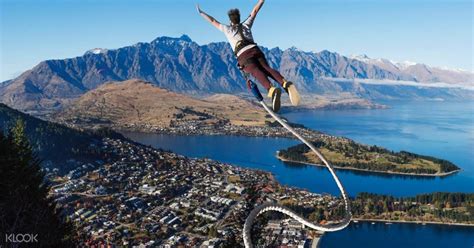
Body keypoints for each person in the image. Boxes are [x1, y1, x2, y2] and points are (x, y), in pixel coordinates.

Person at [197, 0, 300, 112]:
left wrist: (201, 13)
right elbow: (255, 10)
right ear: (239, 18)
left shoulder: (227, 29)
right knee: (267, 68)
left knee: (255, 71)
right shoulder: (246, 24)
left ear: (230, 20)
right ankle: (284, 83)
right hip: (255, 50)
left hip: (243, 55)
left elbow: (213, 21)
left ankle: (271, 89)